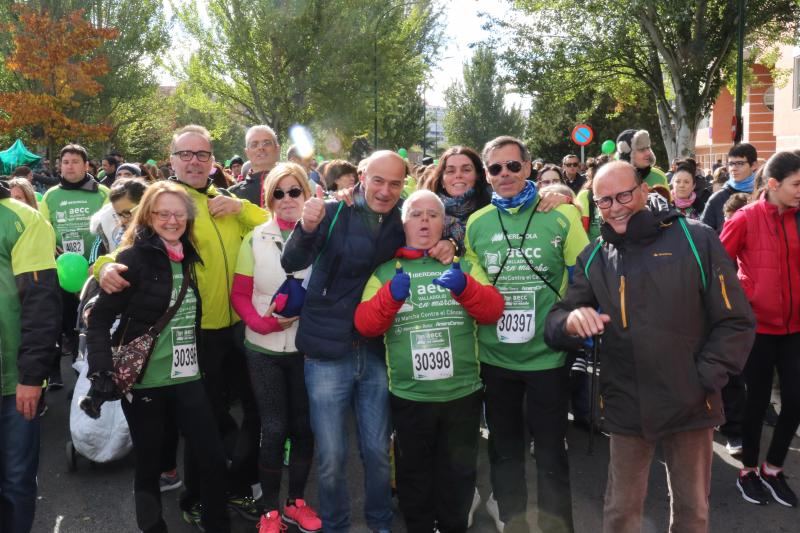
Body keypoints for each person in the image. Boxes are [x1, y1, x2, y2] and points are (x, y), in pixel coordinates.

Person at [545, 160, 755, 533]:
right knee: (621, 513)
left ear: (644, 190)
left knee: (693, 514)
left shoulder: (696, 238)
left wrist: (704, 377)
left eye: (624, 194)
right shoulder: (594, 255)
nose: (615, 206)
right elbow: (556, 321)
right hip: (627, 403)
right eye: (604, 200)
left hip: (691, 401)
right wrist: (571, 322)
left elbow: (735, 321)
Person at [96, 124, 268, 528]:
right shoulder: (167, 205)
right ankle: (197, 499)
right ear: (171, 160)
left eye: (202, 155)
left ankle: (232, 489)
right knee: (197, 429)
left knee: (250, 413)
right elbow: (123, 253)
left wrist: (240, 208)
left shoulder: (223, 202)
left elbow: (274, 226)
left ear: (213, 161)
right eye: (185, 154)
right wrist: (104, 268)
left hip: (237, 327)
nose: (194, 161)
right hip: (193, 335)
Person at [280, 150, 456, 533]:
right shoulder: (332, 211)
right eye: (378, 180)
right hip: (327, 352)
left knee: (377, 451)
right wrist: (307, 226)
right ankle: (337, 525)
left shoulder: (400, 221)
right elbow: (291, 262)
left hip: (376, 347)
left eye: (395, 183)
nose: (386, 190)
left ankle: (379, 523)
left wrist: (449, 246)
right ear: (361, 176)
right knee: (331, 455)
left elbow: (430, 238)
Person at [354, 190, 504, 533]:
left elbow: (493, 310)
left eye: (433, 215)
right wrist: (389, 297)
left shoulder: (463, 263)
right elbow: (365, 324)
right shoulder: (384, 270)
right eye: (416, 214)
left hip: (462, 394)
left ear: (444, 222)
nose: (424, 221)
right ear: (403, 222)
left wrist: (466, 286)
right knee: (414, 478)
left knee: (458, 477)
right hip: (410, 397)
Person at [86, 181, 230, 533]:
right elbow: (99, 319)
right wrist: (101, 371)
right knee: (149, 466)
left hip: (188, 378)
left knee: (212, 460)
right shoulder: (133, 258)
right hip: (147, 381)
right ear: (148, 216)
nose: (172, 220)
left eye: (179, 214)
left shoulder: (189, 255)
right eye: (163, 213)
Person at [464, 136, 588, 533]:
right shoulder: (477, 223)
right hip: (496, 358)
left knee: (551, 455)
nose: (505, 175)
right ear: (487, 175)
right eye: (496, 168)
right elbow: (476, 289)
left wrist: (569, 322)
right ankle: (513, 524)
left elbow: (584, 278)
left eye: (513, 166)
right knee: (505, 453)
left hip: (547, 359)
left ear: (529, 167)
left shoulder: (560, 215)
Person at [231, 163, 322, 533]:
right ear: (269, 198)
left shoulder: (321, 237)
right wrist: (264, 324)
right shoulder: (254, 238)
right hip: (264, 348)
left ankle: (295, 502)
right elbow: (239, 294)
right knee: (273, 427)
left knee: (304, 427)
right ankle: (269, 510)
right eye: (279, 193)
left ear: (307, 194)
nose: (287, 199)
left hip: (306, 349)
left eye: (294, 191)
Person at [720, 151, 800, 507]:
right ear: (773, 184)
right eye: (796, 185)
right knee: (755, 403)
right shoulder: (745, 218)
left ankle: (773, 468)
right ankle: (748, 471)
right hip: (757, 330)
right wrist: (741, 304)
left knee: (795, 401)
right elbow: (718, 268)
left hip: (795, 327)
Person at [0, 180, 61, 533]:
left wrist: (31, 375)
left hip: (12, 385)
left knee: (16, 483)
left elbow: (41, 305)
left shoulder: (23, 219)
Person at [39, 144, 110, 386]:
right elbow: (42, 228)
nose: (69, 166)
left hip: (95, 271)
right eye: (65, 161)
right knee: (64, 324)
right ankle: (63, 375)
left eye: (75, 161)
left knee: (92, 326)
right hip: (63, 271)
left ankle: (88, 379)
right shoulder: (50, 195)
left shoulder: (102, 193)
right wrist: (51, 246)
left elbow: (116, 228)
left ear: (87, 165)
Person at [423, 146, 492, 250]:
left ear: (477, 175)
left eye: (466, 170)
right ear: (442, 180)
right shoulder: (422, 212)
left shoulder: (493, 211)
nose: (458, 175)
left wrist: (453, 245)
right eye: (450, 171)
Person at [701, 143, 758, 233]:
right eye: (731, 164)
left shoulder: (763, 195)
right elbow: (703, 235)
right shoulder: (717, 199)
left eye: (740, 163)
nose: (733, 168)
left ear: (754, 165)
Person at [89, 178, 148, 263]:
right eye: (119, 215)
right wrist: (102, 265)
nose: (122, 220)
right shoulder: (123, 234)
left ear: (144, 204)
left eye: (127, 213)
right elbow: (119, 253)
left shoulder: (162, 230)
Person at [229, 125, 281, 207]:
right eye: (254, 144)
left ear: (277, 149)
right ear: (247, 152)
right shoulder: (233, 195)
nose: (260, 147)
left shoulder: (295, 186)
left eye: (266, 143)